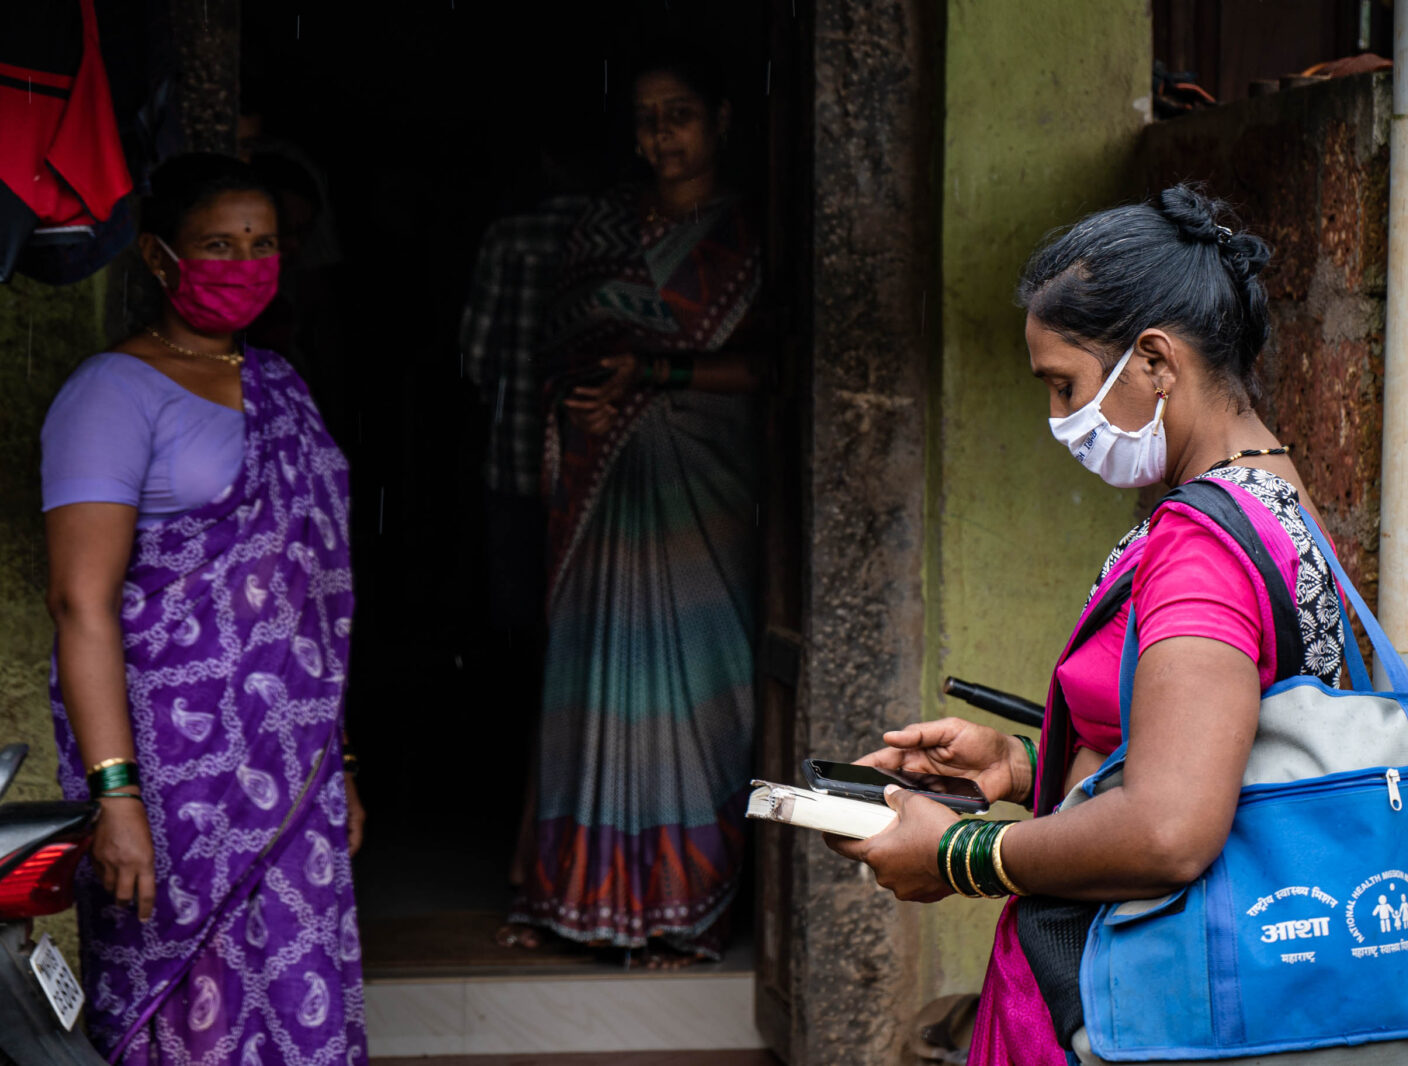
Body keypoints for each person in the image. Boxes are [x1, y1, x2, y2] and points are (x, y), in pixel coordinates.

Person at [827, 186, 1348, 1065]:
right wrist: (1023, 767)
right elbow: (1221, 756)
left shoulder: (1200, 547)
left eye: (1065, 385)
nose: (1060, 419)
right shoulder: (1273, 496)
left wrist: (959, 852)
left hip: (1131, 997)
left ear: (1154, 360)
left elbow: (1170, 829)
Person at [41, 153, 367, 1064]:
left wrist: (337, 757)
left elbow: (313, 602)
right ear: (157, 256)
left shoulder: (282, 386)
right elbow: (81, 603)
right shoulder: (110, 392)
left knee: (295, 1000)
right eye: (216, 244)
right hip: (173, 777)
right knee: (191, 1005)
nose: (244, 262)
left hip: (293, 767)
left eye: (261, 244)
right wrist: (117, 798)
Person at [462, 51, 763, 966]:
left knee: (696, 702)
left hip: (701, 491)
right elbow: (558, 349)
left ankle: (687, 906)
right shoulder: (600, 224)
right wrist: (587, 392)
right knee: (588, 693)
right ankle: (570, 897)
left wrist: (653, 374)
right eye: (644, 119)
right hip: (599, 495)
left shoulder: (756, 230)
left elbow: (783, 371)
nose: (659, 137)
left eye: (678, 116)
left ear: (721, 118)